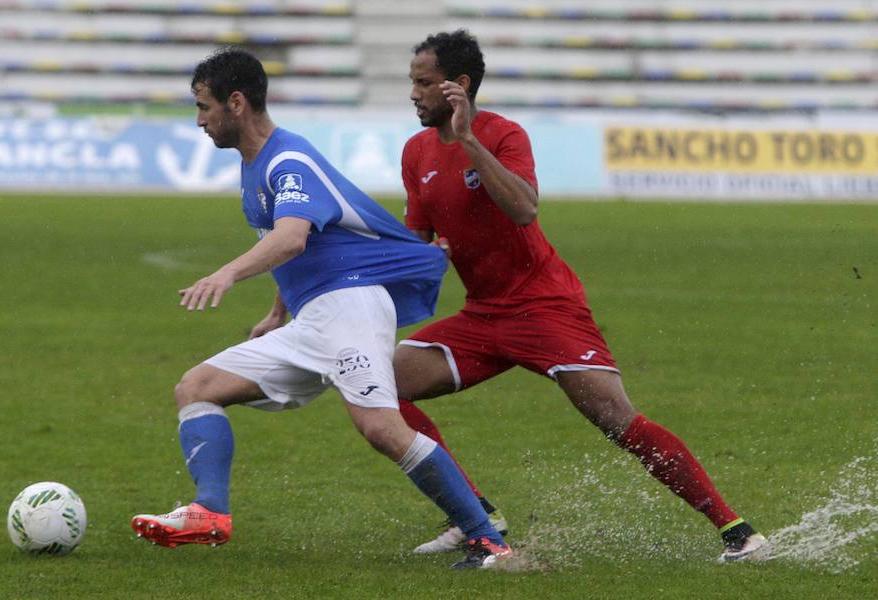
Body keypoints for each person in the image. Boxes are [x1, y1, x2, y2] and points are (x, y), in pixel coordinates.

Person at [130, 47, 512, 570]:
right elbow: (304, 248)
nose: (199, 120)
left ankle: (487, 538)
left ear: (235, 103)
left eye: (204, 107)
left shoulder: (288, 160)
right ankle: (209, 512)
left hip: (350, 304)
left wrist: (227, 273)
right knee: (197, 388)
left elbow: (291, 238)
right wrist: (276, 313)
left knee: (381, 427)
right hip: (317, 313)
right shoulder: (256, 165)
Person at [393, 29, 767, 563]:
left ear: (459, 86)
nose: (413, 93)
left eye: (424, 83)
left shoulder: (503, 135)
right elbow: (418, 244)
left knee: (616, 419)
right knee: (381, 385)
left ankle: (737, 532)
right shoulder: (416, 152)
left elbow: (524, 209)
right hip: (482, 316)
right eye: (412, 82)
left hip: (544, 306)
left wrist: (469, 140)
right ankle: (474, 514)